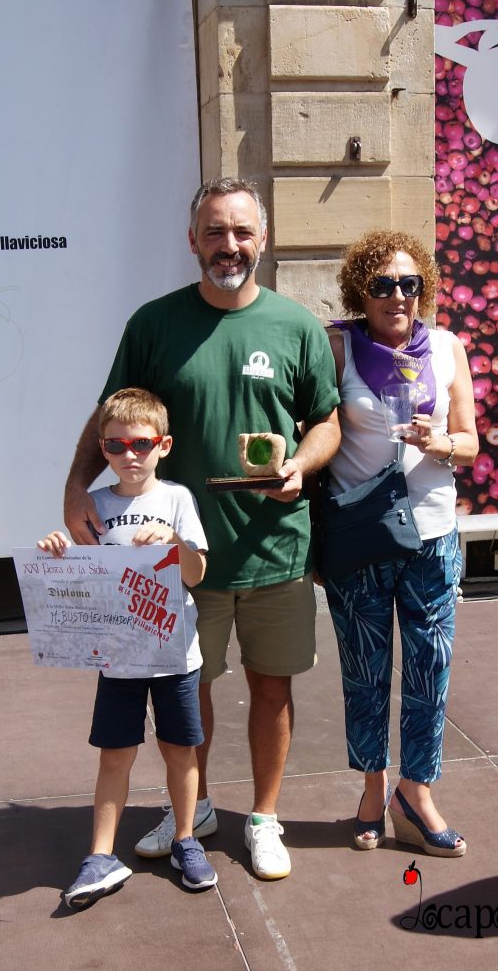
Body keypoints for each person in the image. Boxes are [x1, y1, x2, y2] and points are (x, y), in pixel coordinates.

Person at [62, 178, 340, 880]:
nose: (229, 245)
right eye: (214, 231)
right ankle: (198, 809)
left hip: (275, 547)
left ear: (263, 239)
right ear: (192, 240)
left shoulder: (296, 326)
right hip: (179, 558)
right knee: (192, 692)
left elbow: (326, 422)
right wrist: (74, 489)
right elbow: (110, 416)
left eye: (242, 231)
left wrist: (301, 465)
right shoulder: (154, 324)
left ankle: (265, 818)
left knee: (272, 688)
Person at [321, 230, 477, 857]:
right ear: (361, 290)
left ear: (424, 289)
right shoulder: (337, 347)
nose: (397, 295)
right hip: (361, 534)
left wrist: (440, 443)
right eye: (382, 284)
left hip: (433, 533)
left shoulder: (447, 347)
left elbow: (470, 440)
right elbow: (316, 430)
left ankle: (417, 791)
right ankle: (371, 787)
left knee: (429, 667)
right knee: (364, 670)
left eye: (409, 284)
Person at [41, 388, 217, 907]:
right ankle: (100, 855)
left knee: (180, 751)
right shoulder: (94, 505)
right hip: (117, 656)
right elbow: (83, 577)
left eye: (141, 443)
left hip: (174, 654)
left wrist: (173, 542)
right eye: (115, 446)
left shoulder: (177, 500)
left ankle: (185, 838)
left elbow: (197, 573)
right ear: (103, 448)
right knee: (115, 754)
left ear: (163, 445)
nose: (129, 455)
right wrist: (57, 553)